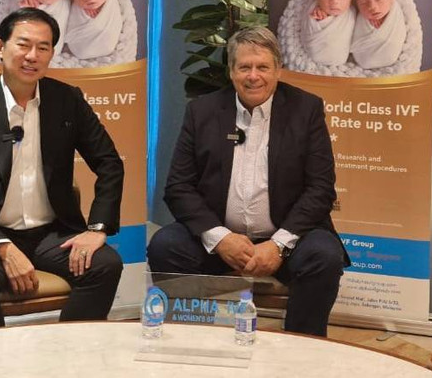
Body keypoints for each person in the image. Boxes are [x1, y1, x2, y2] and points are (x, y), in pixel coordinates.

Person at [0, 7, 124, 333]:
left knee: (105, 264)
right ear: (0, 47)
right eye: (23, 44)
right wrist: (2, 246)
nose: (32, 56)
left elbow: (109, 163)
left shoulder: (67, 101)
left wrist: (97, 228)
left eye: (43, 47)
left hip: (51, 234)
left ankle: (66, 350)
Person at [147, 27, 349, 337]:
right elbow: (179, 187)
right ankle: (191, 338)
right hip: (219, 239)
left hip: (287, 239)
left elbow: (320, 189)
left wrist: (278, 245)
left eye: (263, 67)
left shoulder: (306, 109)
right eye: (244, 67)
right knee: (166, 246)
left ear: (278, 70)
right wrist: (221, 238)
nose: (253, 76)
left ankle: (303, 346)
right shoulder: (202, 111)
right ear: (231, 71)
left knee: (324, 255)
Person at [350, 0, 406, 69]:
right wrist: (369, 24)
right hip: (363, 58)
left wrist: (384, 23)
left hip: (389, 54)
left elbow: (400, 32)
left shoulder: (395, 11)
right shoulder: (358, 14)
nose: (372, 7)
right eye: (363, 3)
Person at [300, 0, 356, 66]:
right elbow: (308, 28)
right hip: (315, 56)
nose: (334, 1)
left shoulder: (352, 13)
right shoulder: (314, 10)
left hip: (340, 57)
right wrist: (320, 21)